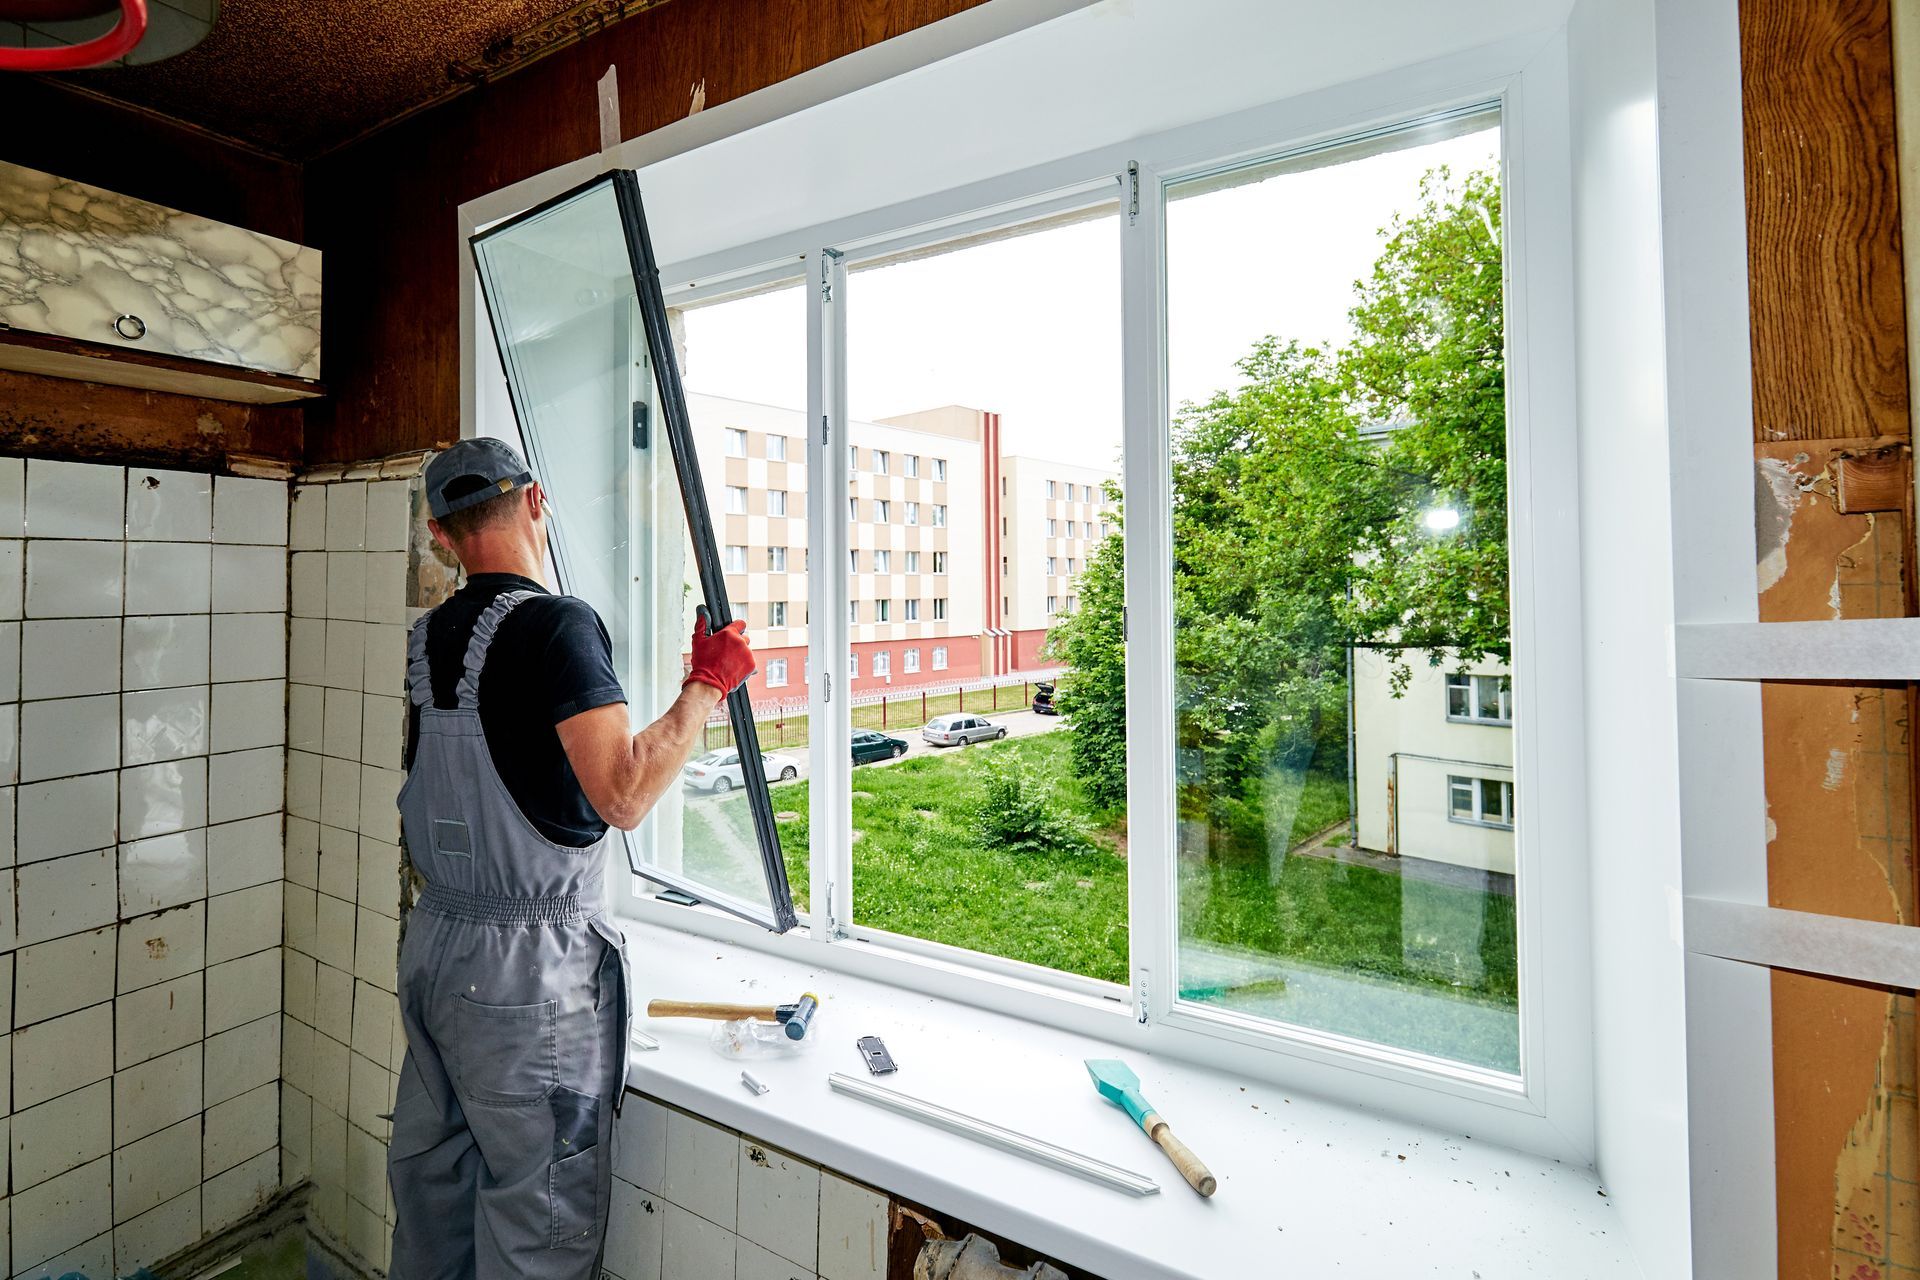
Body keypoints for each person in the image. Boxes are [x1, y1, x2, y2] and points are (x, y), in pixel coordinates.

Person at [386, 438, 755, 1280]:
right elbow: (623, 795)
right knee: (537, 1224)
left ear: (443, 535)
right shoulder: (557, 624)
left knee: (434, 1197)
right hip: (525, 981)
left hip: (437, 950)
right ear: (535, 504)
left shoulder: (431, 634)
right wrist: (707, 683)